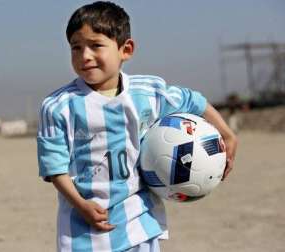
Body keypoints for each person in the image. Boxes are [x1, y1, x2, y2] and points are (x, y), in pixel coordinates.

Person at [37, 1, 237, 251]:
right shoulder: (58, 106)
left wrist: (227, 134)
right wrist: (80, 204)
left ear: (126, 49)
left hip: (140, 222)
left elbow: (193, 101)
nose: (84, 56)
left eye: (96, 45)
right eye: (76, 48)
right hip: (84, 230)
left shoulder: (148, 92)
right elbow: (54, 167)